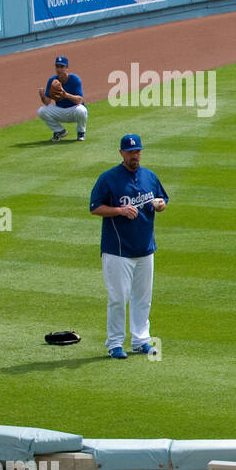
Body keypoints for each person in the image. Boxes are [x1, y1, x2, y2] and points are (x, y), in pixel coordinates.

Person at [89, 134, 168, 359]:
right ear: (122, 153)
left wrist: (161, 204)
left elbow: (162, 198)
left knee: (143, 296)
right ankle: (114, 343)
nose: (135, 156)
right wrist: (119, 211)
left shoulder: (149, 176)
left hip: (145, 248)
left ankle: (140, 339)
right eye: (130, 152)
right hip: (117, 250)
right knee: (118, 297)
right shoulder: (109, 179)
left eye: (138, 152)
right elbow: (95, 207)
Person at [38, 54, 87, 142]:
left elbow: (80, 100)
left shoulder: (74, 79)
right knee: (42, 111)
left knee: (82, 110)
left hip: (74, 111)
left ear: (67, 67)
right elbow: (47, 102)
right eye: (57, 66)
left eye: (62, 66)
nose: (59, 69)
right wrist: (42, 96)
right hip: (60, 111)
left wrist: (66, 95)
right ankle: (60, 131)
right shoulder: (52, 80)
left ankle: (81, 132)